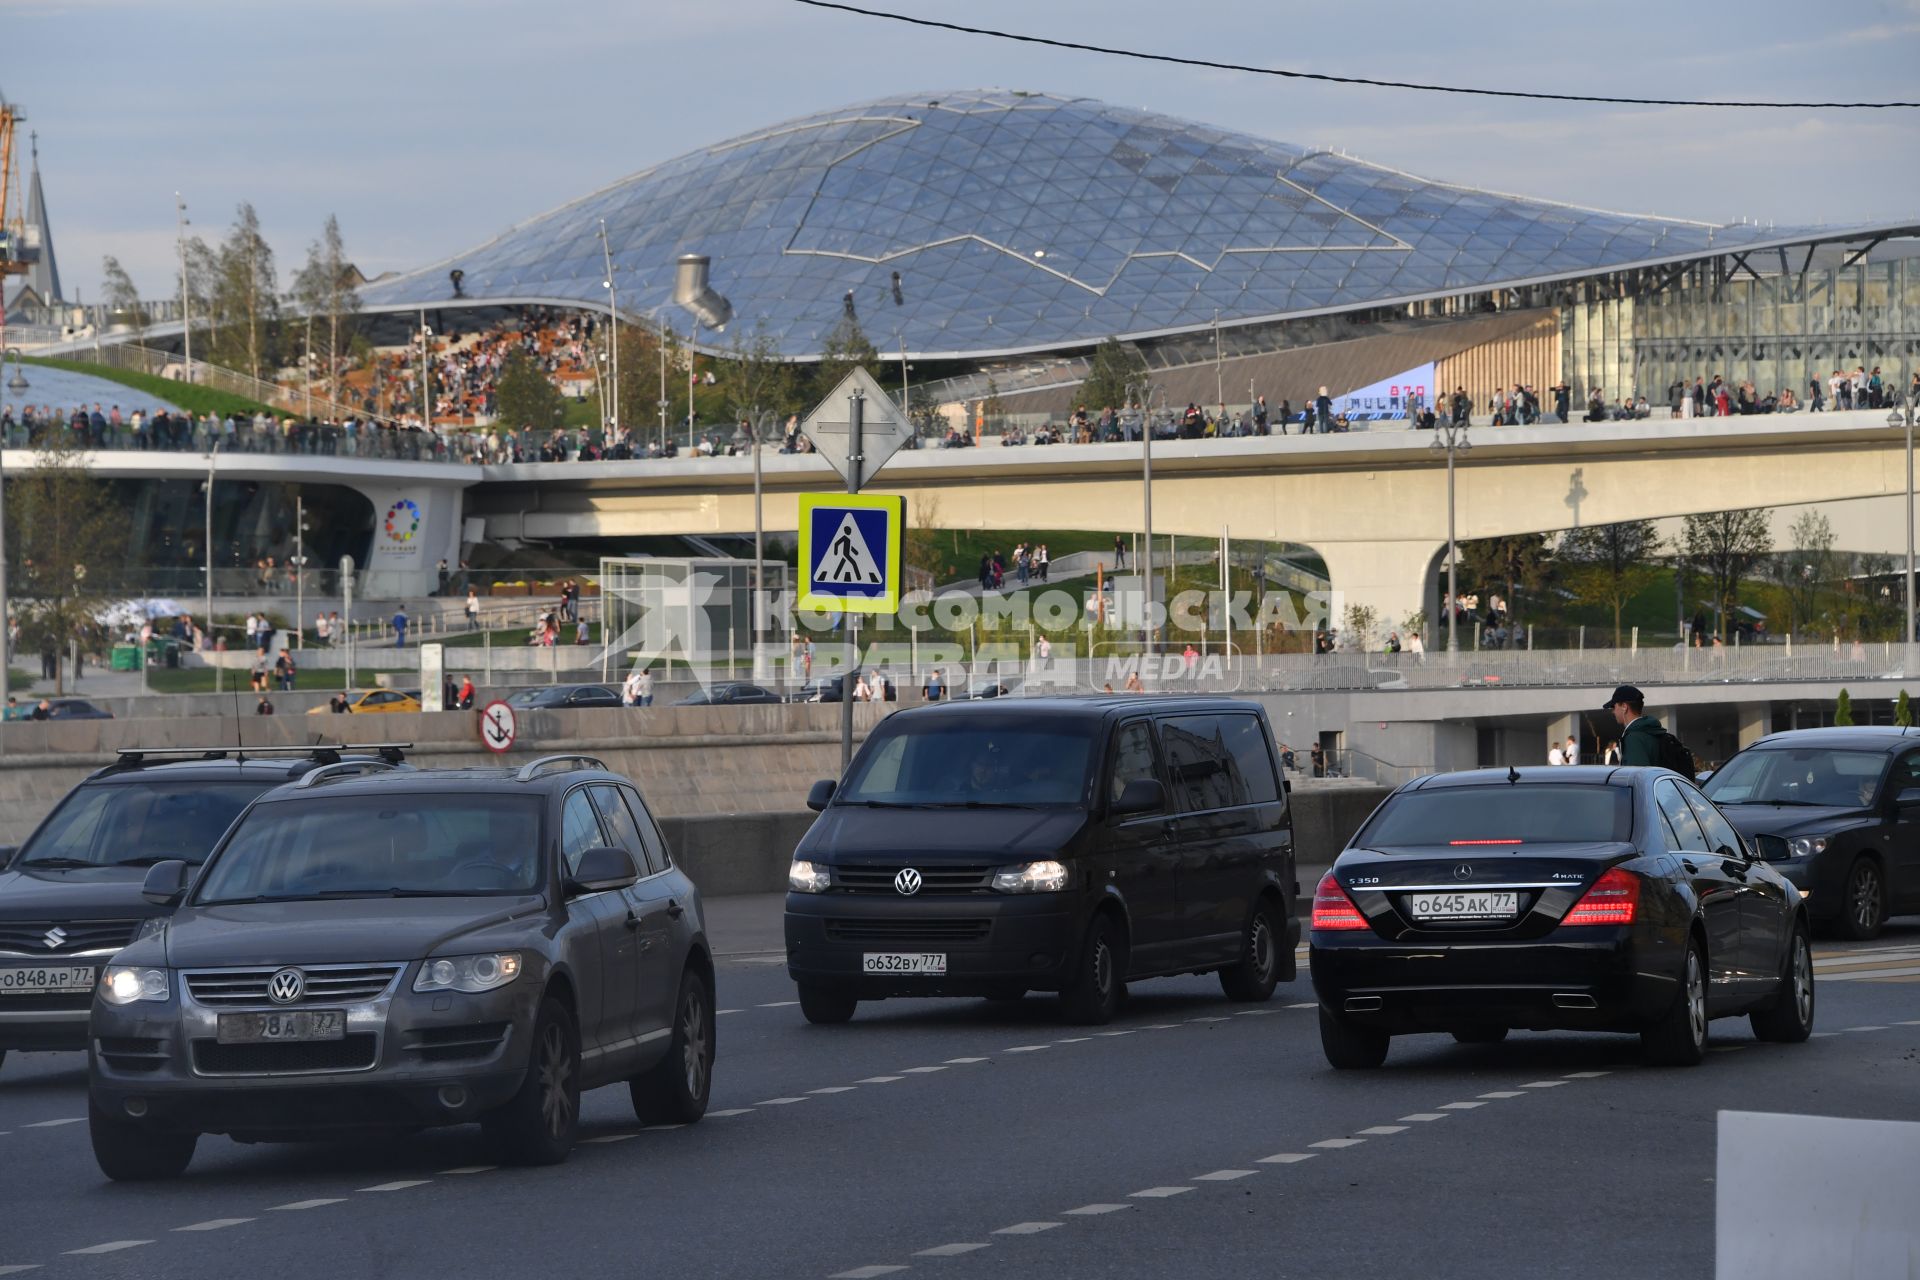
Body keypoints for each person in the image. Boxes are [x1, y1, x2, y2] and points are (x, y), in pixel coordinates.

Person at [1604, 685, 1664, 766]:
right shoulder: (1651, 732)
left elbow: (1637, 777)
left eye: (1614, 707)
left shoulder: (1633, 738)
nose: (1613, 711)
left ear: (1624, 707)